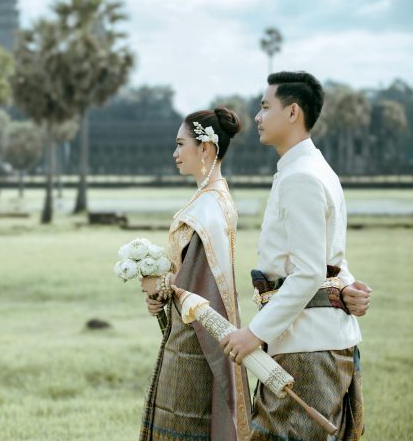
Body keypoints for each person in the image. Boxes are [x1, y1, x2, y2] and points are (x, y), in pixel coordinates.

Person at [220, 71, 371, 440]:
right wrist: (348, 286)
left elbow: (307, 272)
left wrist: (254, 333)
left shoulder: (301, 176)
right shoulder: (311, 169)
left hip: (308, 346)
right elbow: (329, 258)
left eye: (265, 106)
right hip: (317, 340)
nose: (257, 116)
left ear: (292, 113)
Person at [140, 107, 251, 441]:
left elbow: (196, 282)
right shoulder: (215, 199)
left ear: (205, 148)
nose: (174, 153)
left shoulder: (208, 208)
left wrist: (157, 284)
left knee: (185, 425)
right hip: (192, 329)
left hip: (195, 341)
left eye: (180, 144)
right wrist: (160, 294)